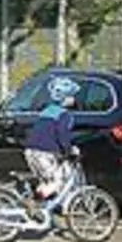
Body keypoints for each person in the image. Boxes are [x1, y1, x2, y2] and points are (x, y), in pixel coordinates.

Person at [23, 75, 81, 210]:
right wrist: (69, 151)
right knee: (57, 181)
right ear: (64, 97)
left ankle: (39, 211)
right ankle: (32, 202)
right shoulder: (64, 115)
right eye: (72, 96)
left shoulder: (46, 111)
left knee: (46, 181)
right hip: (43, 153)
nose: (74, 99)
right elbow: (63, 135)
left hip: (31, 151)